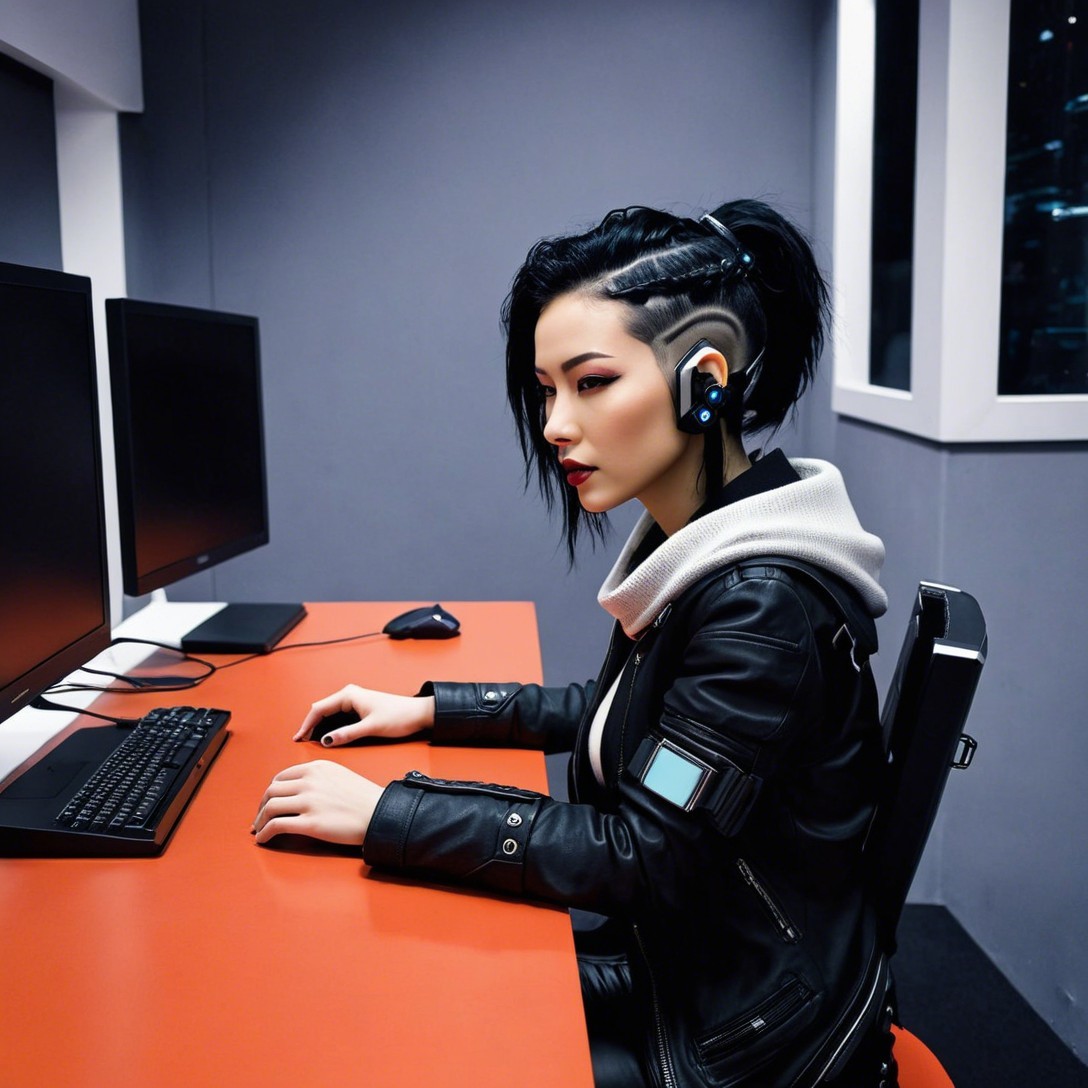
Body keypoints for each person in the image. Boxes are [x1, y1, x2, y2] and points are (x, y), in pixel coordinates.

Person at [253, 199, 898, 1087]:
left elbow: (644, 852)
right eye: (547, 389)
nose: (556, 424)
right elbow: (629, 722)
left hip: (737, 1029)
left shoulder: (760, 606)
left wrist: (386, 816)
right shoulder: (706, 554)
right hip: (695, 964)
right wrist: (430, 709)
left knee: (401, 1031)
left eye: (590, 383)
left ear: (703, 381)